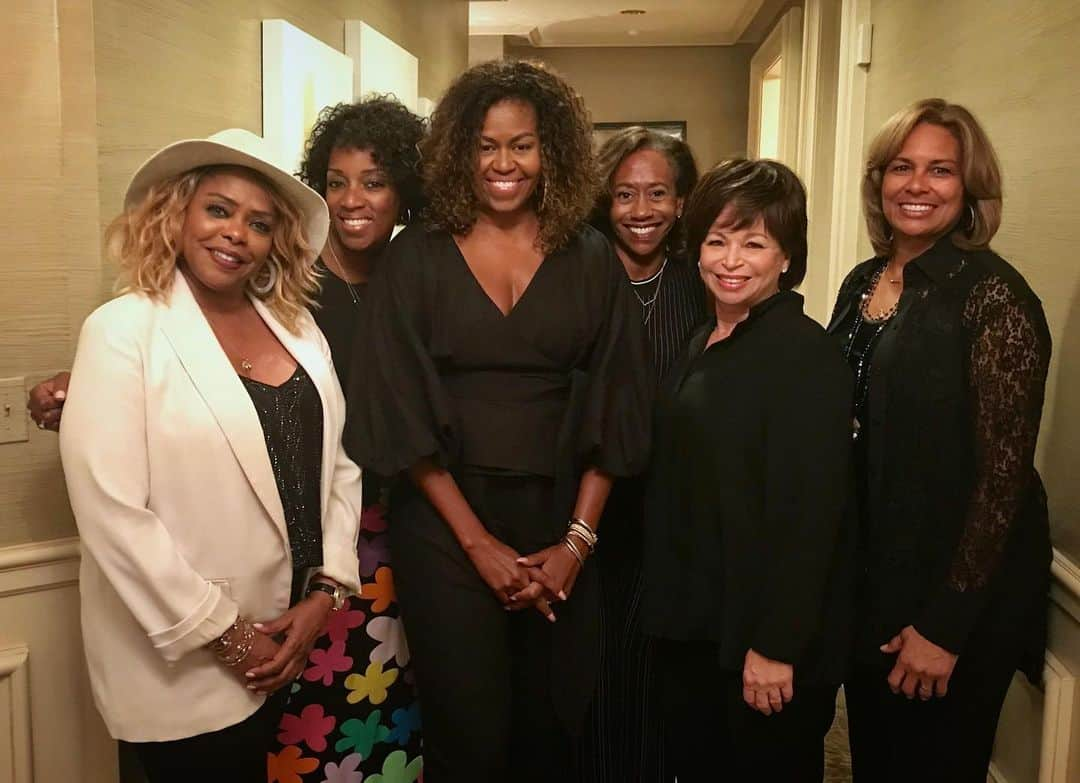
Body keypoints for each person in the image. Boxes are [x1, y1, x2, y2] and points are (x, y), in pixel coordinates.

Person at [347, 60, 653, 782]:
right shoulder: (413, 258)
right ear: (460, 149)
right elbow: (395, 407)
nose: (504, 163)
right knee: (469, 736)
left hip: (562, 517)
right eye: (486, 145)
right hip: (446, 524)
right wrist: (477, 542)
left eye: (522, 144)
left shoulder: (591, 258)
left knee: (552, 729)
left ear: (553, 152)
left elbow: (619, 403)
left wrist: (576, 543)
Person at [58, 129, 362, 783]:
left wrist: (326, 592)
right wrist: (226, 632)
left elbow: (339, 466)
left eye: (257, 222)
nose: (235, 234)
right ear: (179, 213)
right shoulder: (122, 331)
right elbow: (113, 515)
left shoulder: (300, 328)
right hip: (184, 660)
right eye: (218, 210)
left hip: (288, 640)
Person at [826, 98, 1052, 782]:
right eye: (902, 167)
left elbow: (1001, 482)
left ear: (971, 187)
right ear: (878, 181)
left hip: (954, 595)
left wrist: (945, 626)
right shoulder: (863, 281)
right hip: (875, 578)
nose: (917, 185)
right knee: (876, 759)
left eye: (941, 170)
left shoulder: (997, 301)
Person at [642, 159, 854, 782]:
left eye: (754, 243)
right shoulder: (706, 337)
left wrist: (776, 647)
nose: (731, 260)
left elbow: (810, 516)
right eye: (717, 240)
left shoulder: (804, 356)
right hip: (698, 628)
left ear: (786, 257)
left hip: (761, 645)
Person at [265, 97, 427, 781]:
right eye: (336, 181)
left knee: (385, 709)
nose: (353, 199)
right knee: (303, 716)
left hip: (396, 529)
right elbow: (191, 343)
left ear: (404, 192)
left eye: (374, 180)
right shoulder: (281, 279)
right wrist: (83, 382)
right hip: (298, 535)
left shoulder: (415, 276)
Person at [580, 126, 705, 783]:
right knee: (593, 674)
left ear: (683, 202)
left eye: (658, 192)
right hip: (587, 516)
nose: (641, 208)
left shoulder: (702, 289)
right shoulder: (576, 278)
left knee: (659, 680)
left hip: (672, 523)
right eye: (625, 193)